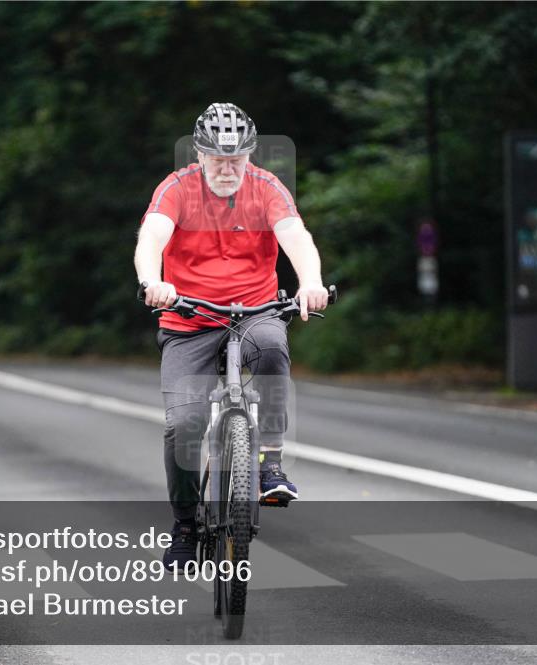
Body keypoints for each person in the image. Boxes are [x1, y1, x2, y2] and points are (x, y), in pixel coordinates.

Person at [133, 102, 329, 571]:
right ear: (200, 155)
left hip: (254, 310)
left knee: (273, 346)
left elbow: (296, 237)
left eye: (236, 159)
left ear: (249, 156)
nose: (227, 169)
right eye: (218, 159)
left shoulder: (267, 187)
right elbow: (152, 238)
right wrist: (152, 281)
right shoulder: (177, 188)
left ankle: (270, 463)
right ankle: (185, 525)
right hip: (189, 318)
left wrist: (311, 282)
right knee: (184, 425)